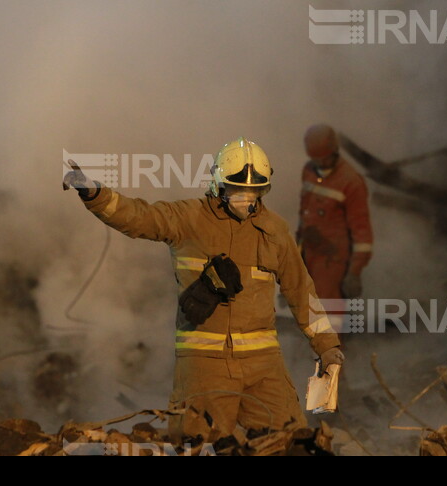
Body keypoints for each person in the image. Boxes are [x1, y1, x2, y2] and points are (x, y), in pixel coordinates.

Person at [64, 137, 342, 440]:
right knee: (198, 445)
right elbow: (138, 216)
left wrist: (327, 346)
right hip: (205, 367)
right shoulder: (188, 219)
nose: (246, 197)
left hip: (264, 368)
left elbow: (302, 291)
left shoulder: (275, 231)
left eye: (253, 189)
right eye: (237, 188)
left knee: (291, 442)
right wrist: (94, 194)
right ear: (220, 183)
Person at [297, 124, 373, 303]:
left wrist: (355, 272)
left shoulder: (351, 182)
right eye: (316, 159)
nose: (320, 164)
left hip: (333, 260)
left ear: (335, 150)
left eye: (324, 158)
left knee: (328, 312)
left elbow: (361, 231)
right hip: (309, 252)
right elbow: (304, 214)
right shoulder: (308, 171)